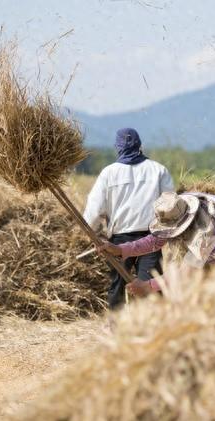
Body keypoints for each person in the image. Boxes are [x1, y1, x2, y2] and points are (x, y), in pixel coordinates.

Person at [98, 191, 215, 297]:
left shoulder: (206, 229)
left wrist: (148, 286)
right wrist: (121, 249)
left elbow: (187, 272)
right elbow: (155, 241)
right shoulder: (176, 206)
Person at [83, 127, 174, 308]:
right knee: (151, 287)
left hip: (119, 240)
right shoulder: (158, 170)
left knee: (117, 287)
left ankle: (116, 328)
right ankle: (154, 330)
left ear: (118, 147)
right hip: (152, 238)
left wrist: (90, 231)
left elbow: (94, 208)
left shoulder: (108, 173)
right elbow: (171, 204)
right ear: (140, 145)